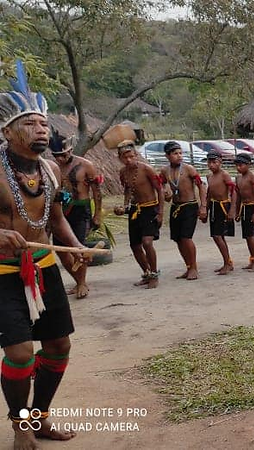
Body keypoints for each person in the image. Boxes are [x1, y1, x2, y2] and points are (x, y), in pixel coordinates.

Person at [0, 65, 81, 446]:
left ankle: (39, 417)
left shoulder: (50, 170)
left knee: (58, 346)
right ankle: (20, 425)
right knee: (20, 353)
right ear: (7, 131)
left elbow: (57, 219)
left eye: (43, 123)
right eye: (30, 123)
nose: (41, 129)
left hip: (43, 268)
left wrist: (76, 248)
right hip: (3, 274)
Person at [49, 132, 102, 299]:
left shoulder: (86, 165)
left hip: (81, 211)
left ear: (70, 150)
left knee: (78, 248)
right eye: (57, 156)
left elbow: (97, 191)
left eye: (63, 155)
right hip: (61, 212)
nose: (60, 159)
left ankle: (82, 283)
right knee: (62, 251)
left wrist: (97, 214)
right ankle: (78, 281)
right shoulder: (51, 168)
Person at [115, 133, 163, 288]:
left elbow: (160, 190)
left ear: (136, 155)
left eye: (131, 156)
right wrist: (125, 206)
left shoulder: (147, 169)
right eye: (125, 157)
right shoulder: (123, 172)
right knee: (135, 245)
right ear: (120, 158)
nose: (129, 160)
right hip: (135, 210)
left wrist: (160, 212)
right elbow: (127, 190)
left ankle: (154, 274)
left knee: (147, 242)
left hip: (150, 208)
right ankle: (147, 273)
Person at [160, 141, 207, 280]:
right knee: (178, 239)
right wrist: (165, 192)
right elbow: (161, 186)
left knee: (186, 238)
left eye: (180, 153)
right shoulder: (164, 171)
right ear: (167, 156)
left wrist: (203, 206)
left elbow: (201, 186)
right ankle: (188, 266)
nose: (179, 156)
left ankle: (194, 268)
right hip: (175, 207)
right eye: (175, 153)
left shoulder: (188, 169)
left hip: (189, 206)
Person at [204, 151, 237, 275]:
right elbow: (209, 194)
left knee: (218, 236)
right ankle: (227, 262)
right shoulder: (209, 176)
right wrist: (206, 209)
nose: (211, 165)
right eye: (209, 162)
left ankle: (227, 263)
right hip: (214, 206)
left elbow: (233, 192)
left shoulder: (224, 175)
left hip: (224, 205)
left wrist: (232, 209)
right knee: (217, 236)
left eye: (214, 162)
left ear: (220, 162)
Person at [233, 153, 254, 271]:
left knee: (251, 236)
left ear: (248, 164)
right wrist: (237, 211)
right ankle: (253, 259)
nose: (238, 168)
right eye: (237, 165)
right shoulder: (238, 178)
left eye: (241, 165)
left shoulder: (253, 177)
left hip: (252, 206)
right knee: (247, 236)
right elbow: (239, 196)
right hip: (244, 208)